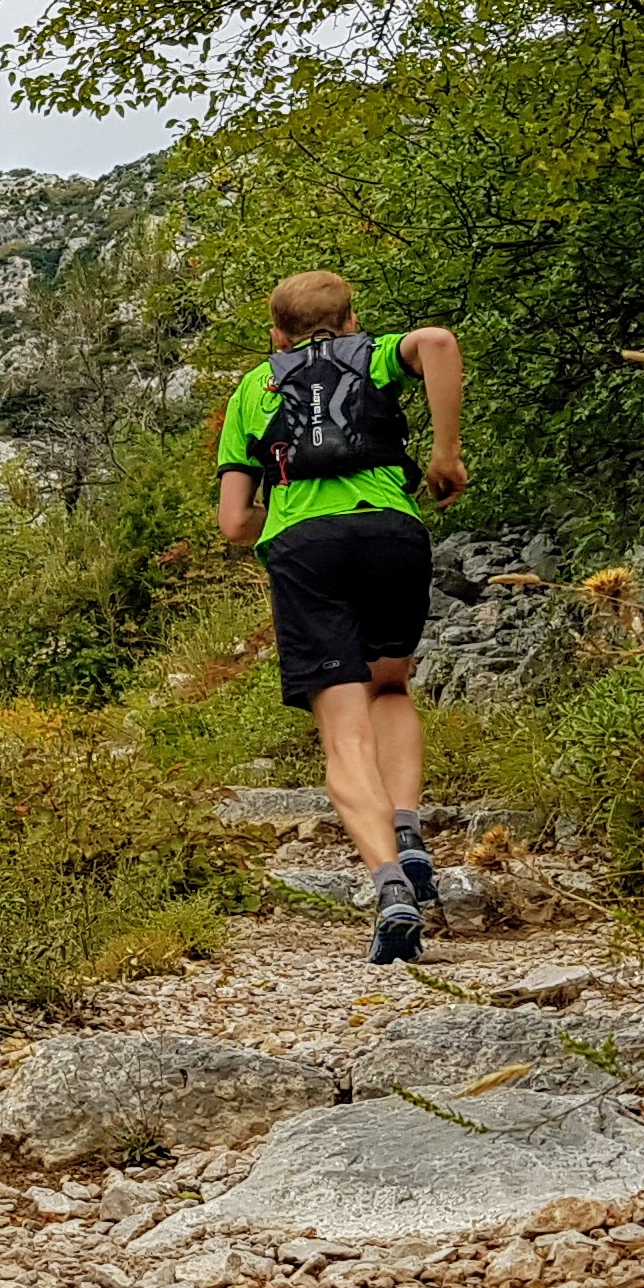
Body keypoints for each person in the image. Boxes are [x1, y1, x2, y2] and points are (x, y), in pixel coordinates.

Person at [215, 270, 467, 965]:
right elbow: (439, 343)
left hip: (306, 554)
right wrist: (445, 456)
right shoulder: (376, 354)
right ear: (352, 321)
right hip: (391, 533)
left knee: (343, 730)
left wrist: (287, 518)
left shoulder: (252, 389)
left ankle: (390, 888)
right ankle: (408, 827)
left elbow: (233, 522)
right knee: (390, 686)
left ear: (277, 335)